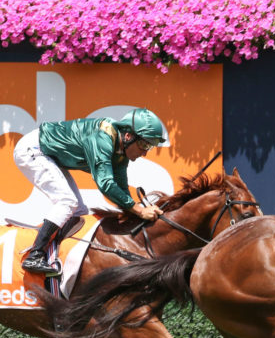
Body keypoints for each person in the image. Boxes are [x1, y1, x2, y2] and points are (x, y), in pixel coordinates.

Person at [13, 108, 166, 276]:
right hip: (34, 149)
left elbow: (121, 187)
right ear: (128, 136)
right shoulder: (102, 138)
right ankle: (35, 256)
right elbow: (106, 184)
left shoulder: (120, 151)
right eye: (144, 144)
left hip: (51, 156)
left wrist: (137, 211)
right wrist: (140, 210)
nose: (145, 153)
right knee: (67, 202)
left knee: (79, 211)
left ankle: (57, 256)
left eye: (149, 147)